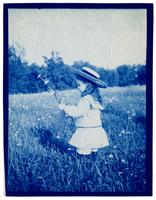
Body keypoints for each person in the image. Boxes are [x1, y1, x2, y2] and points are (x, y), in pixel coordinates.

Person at [58, 67, 109, 155]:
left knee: (83, 150)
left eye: (79, 84)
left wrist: (64, 107)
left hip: (86, 130)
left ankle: (83, 165)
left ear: (87, 84)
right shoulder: (94, 98)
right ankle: (93, 165)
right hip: (95, 129)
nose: (77, 87)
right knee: (93, 149)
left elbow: (78, 111)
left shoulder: (85, 99)